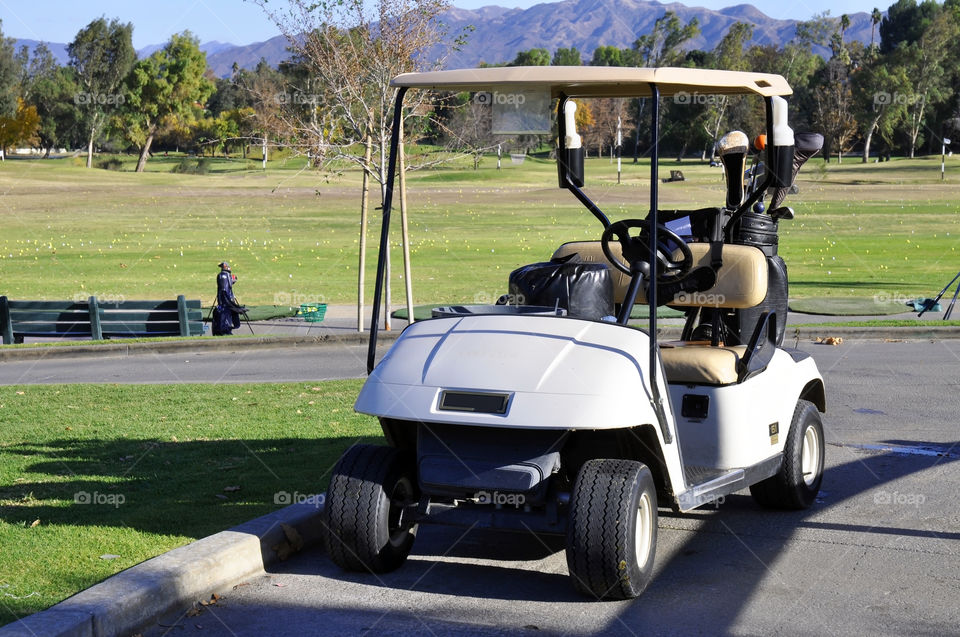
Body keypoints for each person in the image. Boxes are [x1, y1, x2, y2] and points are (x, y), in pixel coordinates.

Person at [212, 262, 245, 335]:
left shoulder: (222, 275)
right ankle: (225, 329)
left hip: (224, 300)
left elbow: (225, 286)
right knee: (226, 311)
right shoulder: (225, 275)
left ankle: (226, 328)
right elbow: (226, 287)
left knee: (226, 312)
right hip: (226, 300)